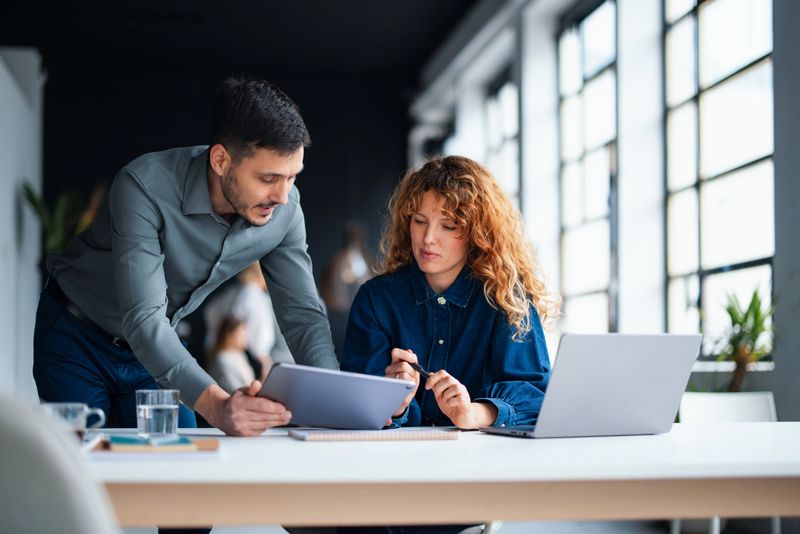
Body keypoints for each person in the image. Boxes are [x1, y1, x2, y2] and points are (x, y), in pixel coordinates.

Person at [33, 77, 338, 441]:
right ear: (221, 160)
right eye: (268, 178)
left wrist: (331, 404)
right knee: (82, 473)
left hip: (158, 351)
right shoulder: (143, 186)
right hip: (76, 337)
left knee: (178, 468)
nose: (283, 197)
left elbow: (302, 314)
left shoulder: (286, 211)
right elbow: (143, 316)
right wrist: (220, 407)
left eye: (292, 178)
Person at [339, 156, 556, 533]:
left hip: (469, 482)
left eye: (449, 225)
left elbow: (539, 395)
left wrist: (475, 413)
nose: (427, 239)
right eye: (419, 221)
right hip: (380, 480)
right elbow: (350, 408)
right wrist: (393, 400)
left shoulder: (507, 300)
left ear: (478, 232)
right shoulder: (376, 299)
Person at [204, 261, 294, 378]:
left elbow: (210, 311)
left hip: (218, 352)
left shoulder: (231, 292)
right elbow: (260, 333)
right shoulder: (254, 295)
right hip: (251, 358)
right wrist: (264, 361)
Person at [207, 316, 260, 393]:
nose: (246, 338)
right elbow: (234, 390)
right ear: (229, 335)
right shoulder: (222, 360)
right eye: (242, 335)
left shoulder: (240, 355)